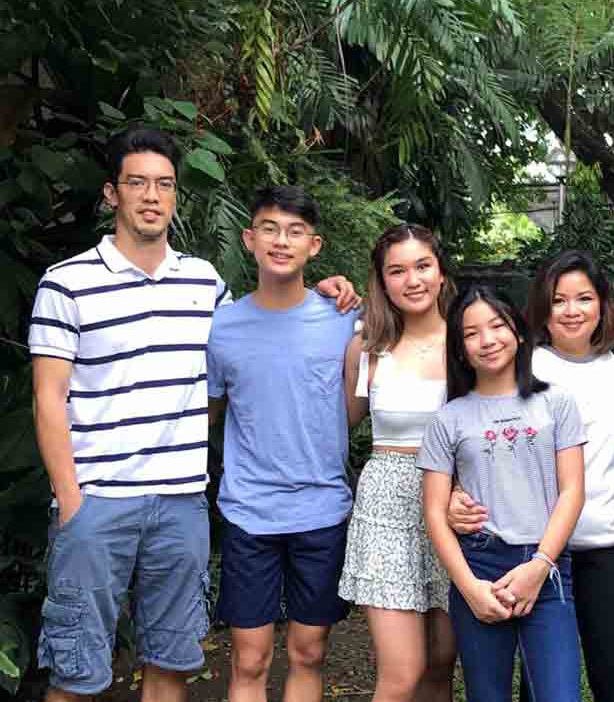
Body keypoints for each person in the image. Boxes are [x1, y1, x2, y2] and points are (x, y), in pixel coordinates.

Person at [28, 126, 358, 702]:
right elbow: (47, 397)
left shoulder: (205, 285)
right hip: (97, 499)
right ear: (111, 193)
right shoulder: (66, 283)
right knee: (76, 669)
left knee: (172, 662)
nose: (151, 196)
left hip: (181, 503)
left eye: (164, 184)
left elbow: (264, 343)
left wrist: (331, 290)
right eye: (137, 183)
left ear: (176, 195)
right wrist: (71, 499)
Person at [448, 250, 614, 702]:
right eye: (559, 300)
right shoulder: (523, 368)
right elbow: (473, 435)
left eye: (584, 298)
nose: (572, 310)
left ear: (603, 305)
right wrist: (456, 491)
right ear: (542, 308)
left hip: (607, 541)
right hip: (534, 549)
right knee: (541, 681)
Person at [206, 186, 357, 702]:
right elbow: (210, 412)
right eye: (269, 229)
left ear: (314, 246)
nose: (281, 241)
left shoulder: (343, 318)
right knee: (249, 658)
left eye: (295, 231)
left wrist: (342, 289)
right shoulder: (221, 327)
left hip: (321, 509)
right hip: (249, 511)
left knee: (309, 652)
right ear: (249, 239)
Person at [418, 285, 587, 702]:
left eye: (497, 326)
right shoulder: (448, 418)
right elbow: (435, 513)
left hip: (546, 566)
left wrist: (540, 565)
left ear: (519, 332)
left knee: (559, 694)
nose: (487, 340)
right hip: (479, 566)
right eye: (471, 333)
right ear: (459, 349)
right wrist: (469, 587)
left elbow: (572, 491)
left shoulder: (557, 402)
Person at [337, 223, 458, 702]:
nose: (413, 280)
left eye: (423, 266)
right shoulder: (367, 348)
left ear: (441, 272)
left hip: (455, 504)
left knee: (441, 664)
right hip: (386, 508)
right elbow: (337, 425)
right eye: (397, 270)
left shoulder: (469, 341)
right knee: (402, 673)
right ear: (382, 281)